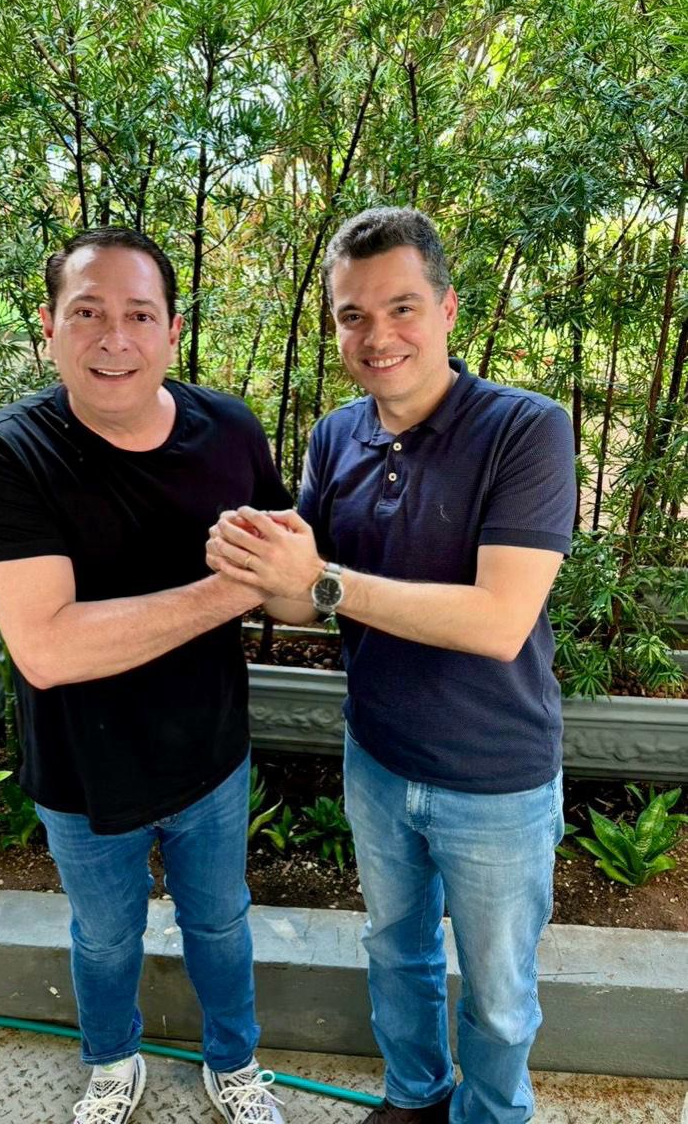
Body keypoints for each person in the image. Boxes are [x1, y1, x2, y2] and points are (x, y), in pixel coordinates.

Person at [206, 206, 576, 1124]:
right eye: (353, 316)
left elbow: (499, 621)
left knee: (499, 993)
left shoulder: (526, 430)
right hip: (376, 757)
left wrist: (320, 580)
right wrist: (258, 564)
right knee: (394, 951)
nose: (378, 336)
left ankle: (491, 1116)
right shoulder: (336, 436)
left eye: (401, 307)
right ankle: (413, 1097)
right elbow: (304, 603)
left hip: (496, 778)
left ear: (447, 309)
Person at [0, 226, 290, 1124]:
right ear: (49, 327)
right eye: (88, 313)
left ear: (173, 331)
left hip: (211, 753)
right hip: (83, 771)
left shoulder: (230, 431)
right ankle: (111, 1063)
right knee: (105, 936)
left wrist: (300, 580)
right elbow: (49, 648)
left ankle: (235, 1063)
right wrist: (237, 589)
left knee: (221, 922)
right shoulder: (5, 456)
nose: (115, 339)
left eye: (140, 315)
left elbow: (292, 590)